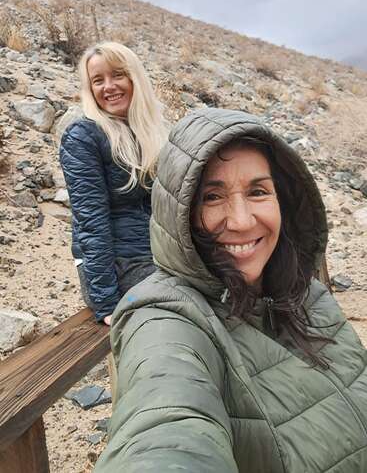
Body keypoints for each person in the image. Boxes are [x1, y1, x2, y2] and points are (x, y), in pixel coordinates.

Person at [95, 107, 367, 472]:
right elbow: (163, 425)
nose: (241, 220)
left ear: (282, 200)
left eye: (258, 191)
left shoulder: (308, 295)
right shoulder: (164, 318)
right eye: (212, 196)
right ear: (180, 213)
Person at [59, 41, 168, 325]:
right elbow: (90, 221)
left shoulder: (150, 133)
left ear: (135, 78)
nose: (108, 86)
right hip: (115, 268)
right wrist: (106, 300)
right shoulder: (83, 137)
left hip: (157, 256)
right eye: (98, 80)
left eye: (117, 75)